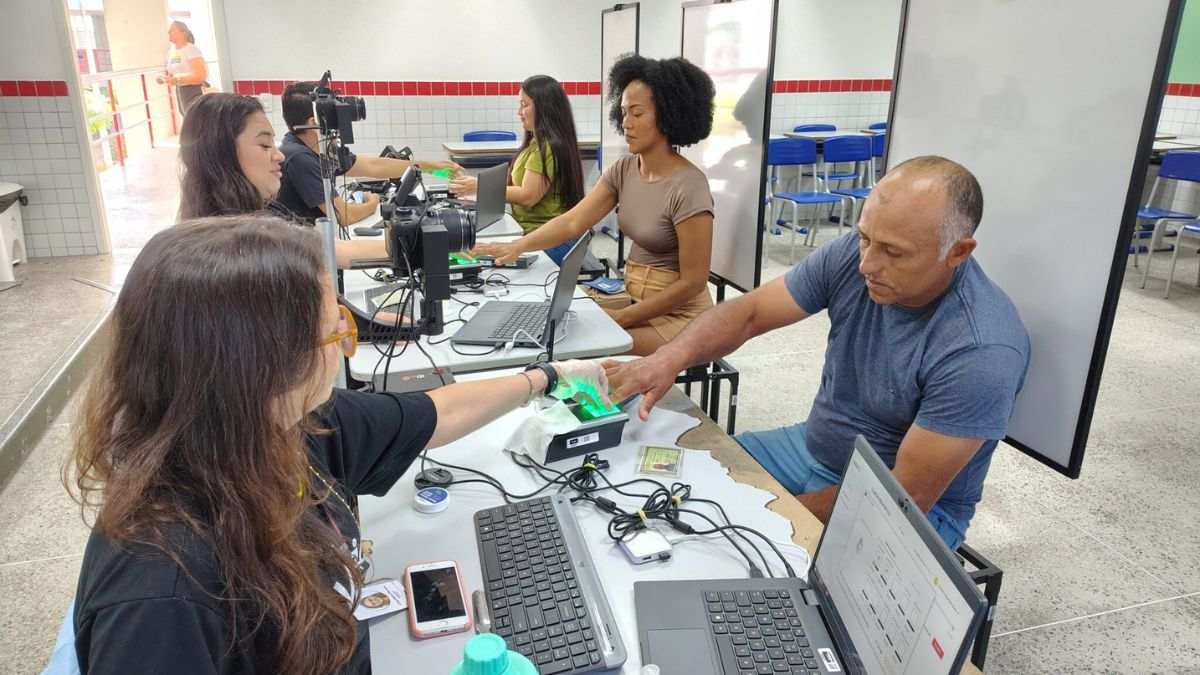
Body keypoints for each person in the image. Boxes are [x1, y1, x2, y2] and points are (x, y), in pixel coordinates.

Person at [67, 216, 610, 675]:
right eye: (336, 330)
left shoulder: (287, 425)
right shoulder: (162, 593)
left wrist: (547, 376)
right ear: (263, 368)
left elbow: (434, 413)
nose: (346, 346)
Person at [606, 156, 1031, 550]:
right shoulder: (856, 255)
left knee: (732, 551)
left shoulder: (980, 351)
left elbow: (902, 499)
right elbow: (750, 313)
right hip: (812, 446)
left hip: (909, 508)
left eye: (894, 252)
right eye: (866, 238)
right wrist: (669, 358)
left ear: (958, 252)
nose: (867, 263)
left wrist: (761, 515)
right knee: (678, 473)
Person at [475, 55, 717, 356]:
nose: (626, 123)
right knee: (557, 328)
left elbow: (693, 283)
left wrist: (620, 319)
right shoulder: (624, 170)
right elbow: (573, 222)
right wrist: (519, 246)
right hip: (636, 300)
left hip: (683, 318)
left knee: (584, 350)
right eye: (624, 112)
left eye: (637, 114)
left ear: (669, 116)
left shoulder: (689, 186)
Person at [177, 92, 391, 270]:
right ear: (222, 153)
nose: (279, 156)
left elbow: (331, 249)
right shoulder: (251, 242)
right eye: (264, 145)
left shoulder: (259, 215)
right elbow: (337, 239)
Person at [272, 81, 462, 230]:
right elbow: (343, 215)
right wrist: (373, 204)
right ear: (315, 122)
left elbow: (371, 165)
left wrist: (433, 167)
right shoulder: (299, 157)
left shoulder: (314, 146)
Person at [449, 75, 584, 262]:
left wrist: (479, 187)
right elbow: (516, 185)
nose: (519, 112)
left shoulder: (548, 148)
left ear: (544, 108)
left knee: (478, 257)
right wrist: (477, 189)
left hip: (548, 239)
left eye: (525, 105)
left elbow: (528, 196)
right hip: (531, 232)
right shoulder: (534, 145)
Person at [161, 21, 208, 115]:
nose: (169, 32)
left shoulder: (191, 49)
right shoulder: (171, 51)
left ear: (183, 33)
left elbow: (201, 76)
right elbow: (173, 70)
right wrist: (168, 79)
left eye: (172, 30)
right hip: (180, 89)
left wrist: (178, 80)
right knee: (185, 116)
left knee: (193, 118)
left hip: (193, 89)